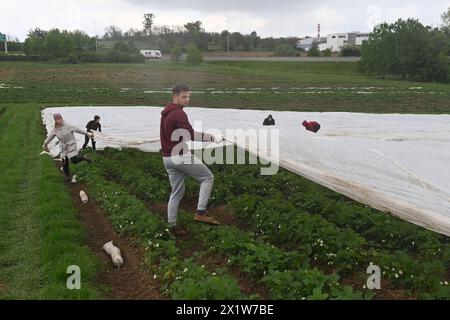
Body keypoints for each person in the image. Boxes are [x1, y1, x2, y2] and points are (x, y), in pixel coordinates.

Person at [160, 84, 220, 234]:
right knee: (208, 178)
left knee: (176, 193)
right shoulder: (179, 113)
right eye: (184, 96)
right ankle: (200, 213)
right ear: (175, 97)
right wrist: (211, 137)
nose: (187, 99)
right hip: (181, 156)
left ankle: (172, 225)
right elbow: (191, 135)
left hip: (167, 158)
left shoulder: (165, 113)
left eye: (188, 96)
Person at [42, 113, 93, 181]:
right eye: (56, 119)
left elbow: (78, 130)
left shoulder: (68, 126)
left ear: (61, 118)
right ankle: (67, 176)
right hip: (63, 147)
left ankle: (84, 157)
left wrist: (87, 134)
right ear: (55, 120)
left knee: (74, 161)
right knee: (64, 162)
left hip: (71, 145)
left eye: (59, 119)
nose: (58, 121)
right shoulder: (55, 129)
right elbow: (50, 136)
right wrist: (45, 143)